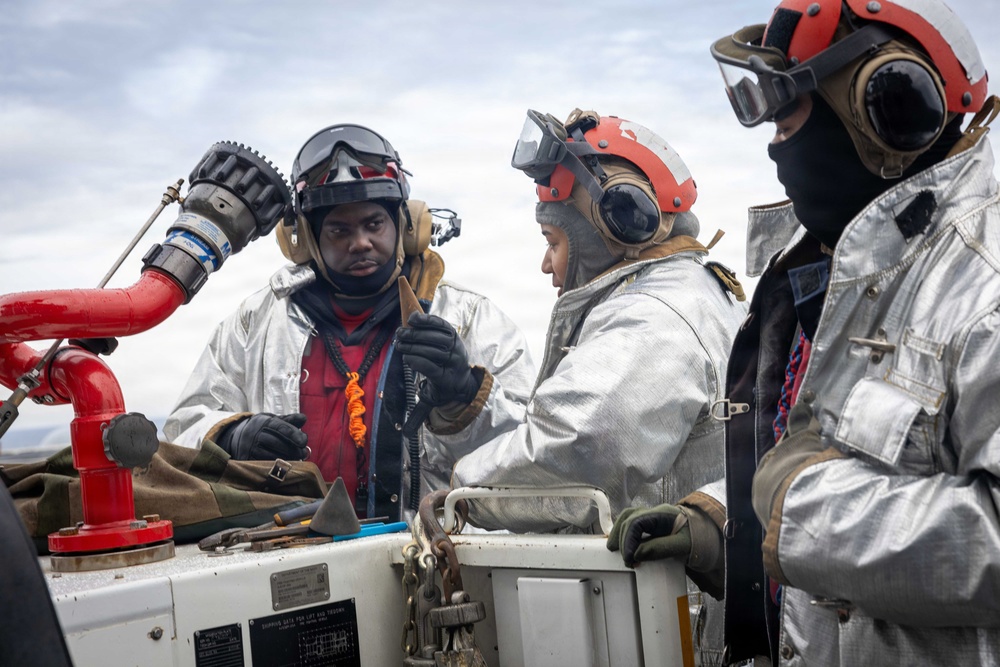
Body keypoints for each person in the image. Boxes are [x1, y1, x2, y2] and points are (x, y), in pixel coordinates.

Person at [608, 1, 1000, 664]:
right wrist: (729, 528)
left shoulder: (982, 289)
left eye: (790, 118)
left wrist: (796, 516)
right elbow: (824, 453)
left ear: (886, 110)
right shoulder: (832, 267)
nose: (775, 148)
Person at [398, 108, 747, 533]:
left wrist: (462, 495)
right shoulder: (682, 292)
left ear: (619, 223)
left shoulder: (654, 318)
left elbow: (576, 451)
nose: (546, 265)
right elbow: (555, 432)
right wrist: (466, 398)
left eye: (554, 242)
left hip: (660, 590)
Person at [163, 124, 536, 522]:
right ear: (303, 237)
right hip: (288, 556)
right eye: (339, 229)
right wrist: (232, 436)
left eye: (373, 224)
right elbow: (182, 430)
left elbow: (532, 454)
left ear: (406, 224)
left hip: (430, 561)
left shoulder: (469, 319)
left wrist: (465, 395)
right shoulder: (256, 323)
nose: (359, 242)